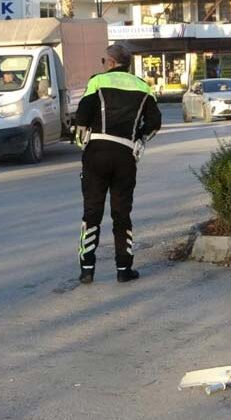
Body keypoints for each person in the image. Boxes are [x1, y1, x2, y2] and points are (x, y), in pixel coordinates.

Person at [74, 42, 162, 284]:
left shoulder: (98, 82)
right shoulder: (144, 88)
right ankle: (124, 269)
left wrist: (84, 143)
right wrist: (139, 139)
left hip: (97, 152)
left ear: (111, 63)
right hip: (125, 155)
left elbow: (81, 119)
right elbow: (155, 123)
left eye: (103, 61)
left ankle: (87, 269)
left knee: (92, 211)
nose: (102, 65)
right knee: (122, 214)